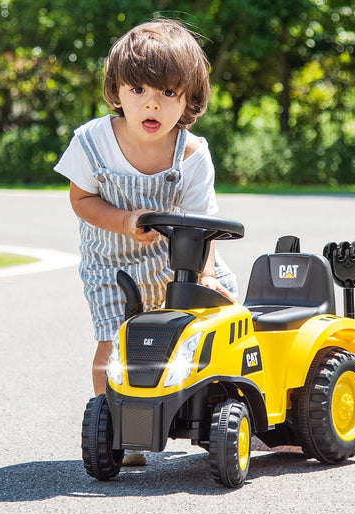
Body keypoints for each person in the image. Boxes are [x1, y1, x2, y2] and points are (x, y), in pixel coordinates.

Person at [54, 19, 237, 463]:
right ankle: (118, 429)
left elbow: (204, 223)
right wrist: (122, 219)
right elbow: (80, 199)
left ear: (189, 98)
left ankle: (213, 408)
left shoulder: (192, 154)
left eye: (168, 93)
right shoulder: (92, 141)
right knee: (115, 340)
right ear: (117, 91)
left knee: (219, 317)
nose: (151, 104)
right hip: (110, 262)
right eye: (138, 90)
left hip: (177, 259)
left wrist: (207, 274)